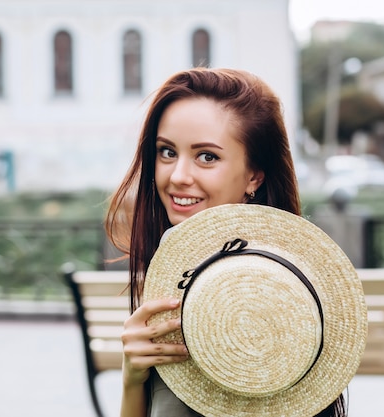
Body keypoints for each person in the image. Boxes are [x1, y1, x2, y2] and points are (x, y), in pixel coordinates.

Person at [104, 67, 348, 417]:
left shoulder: (282, 290)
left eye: (207, 156)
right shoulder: (176, 266)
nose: (178, 176)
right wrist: (133, 377)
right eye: (167, 152)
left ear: (254, 175)